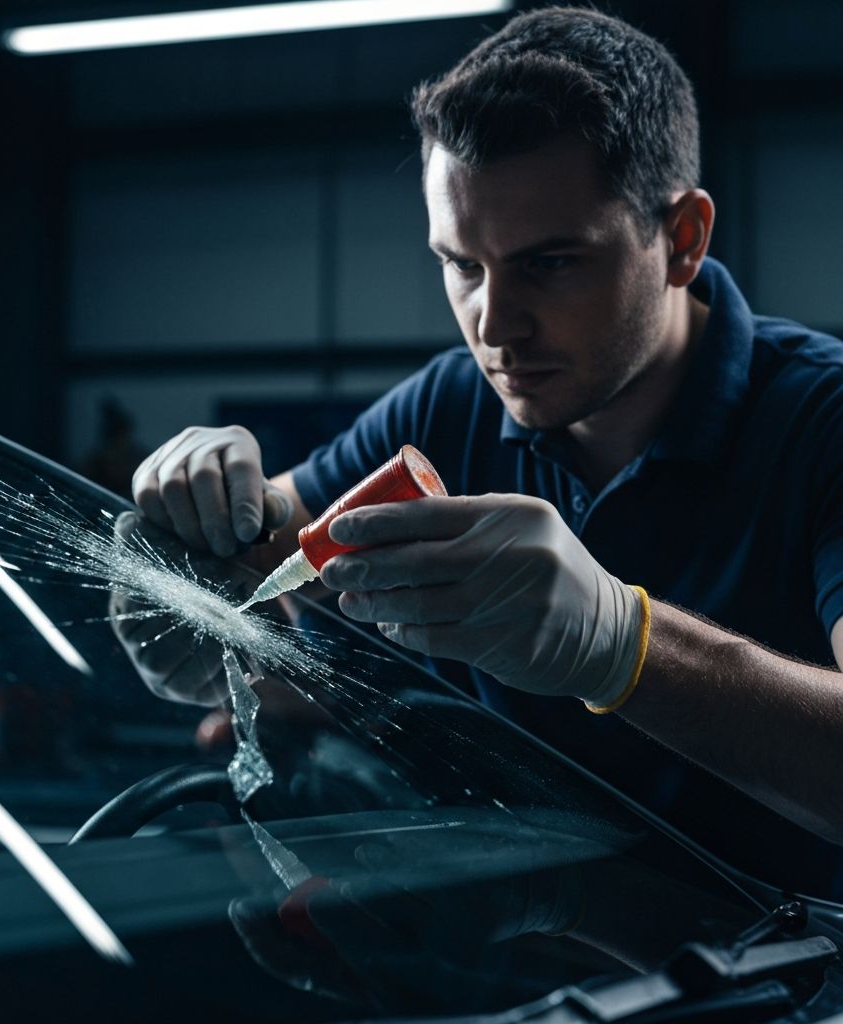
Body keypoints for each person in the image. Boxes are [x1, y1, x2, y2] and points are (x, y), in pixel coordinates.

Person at [121, 7, 843, 892]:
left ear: (682, 240)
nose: (494, 328)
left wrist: (625, 647)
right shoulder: (448, 405)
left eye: (550, 263)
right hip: (523, 951)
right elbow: (269, 558)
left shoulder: (824, 422)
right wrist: (190, 558)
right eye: (463, 265)